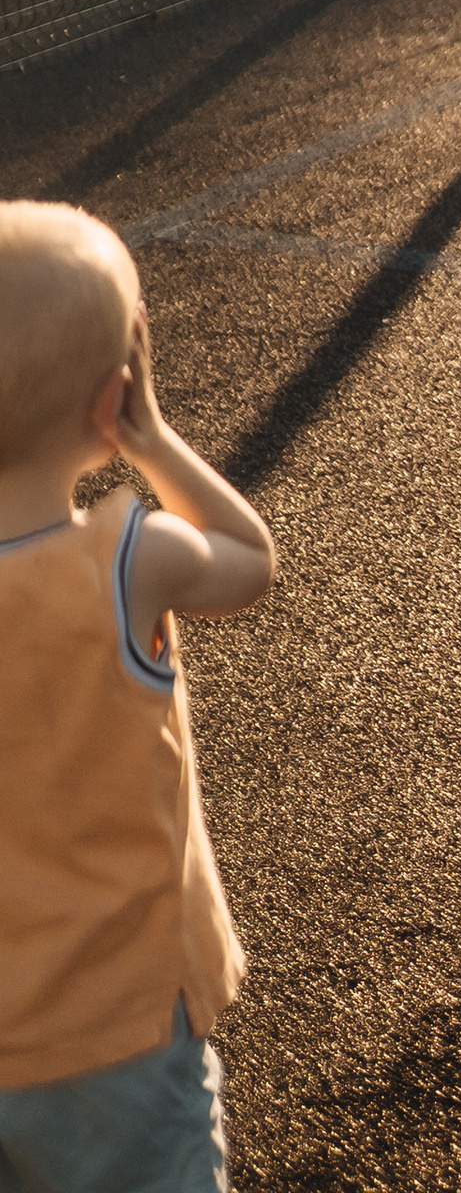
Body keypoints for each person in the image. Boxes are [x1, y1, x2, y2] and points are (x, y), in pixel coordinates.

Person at [0, 202, 277, 1190]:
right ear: (111, 397)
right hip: (121, 1023)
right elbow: (250, 560)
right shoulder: (129, 560)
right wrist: (152, 440)